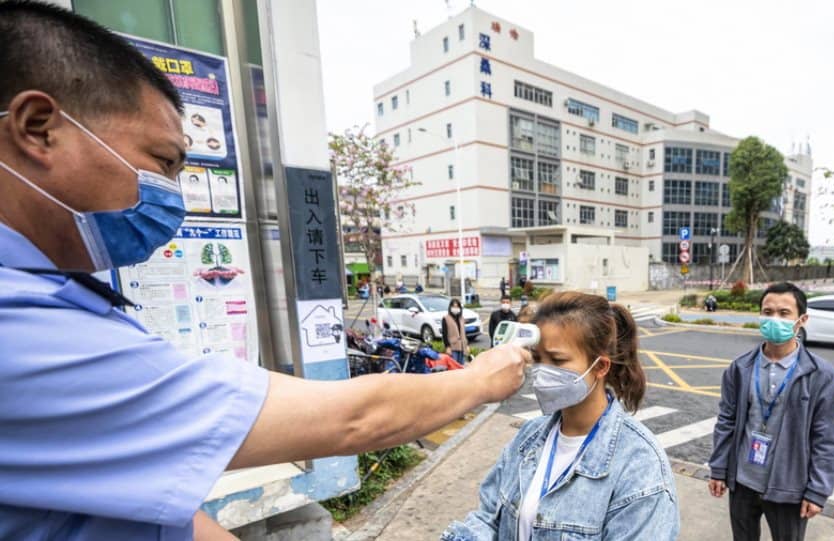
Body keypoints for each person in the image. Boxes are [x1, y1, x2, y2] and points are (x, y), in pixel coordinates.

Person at [0, 4, 528, 539]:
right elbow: (352, 419)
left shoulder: (52, 295)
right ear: (38, 128)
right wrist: (482, 380)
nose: (171, 196)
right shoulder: (20, 331)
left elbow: (125, 503)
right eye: (161, 162)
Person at [443, 292, 680, 540]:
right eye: (538, 358)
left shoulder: (640, 466)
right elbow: (488, 518)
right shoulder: (529, 437)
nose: (543, 372)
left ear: (600, 367)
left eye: (557, 360)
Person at [708, 282, 834, 541]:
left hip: (789, 487)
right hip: (743, 481)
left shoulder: (820, 375)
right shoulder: (740, 368)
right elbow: (726, 421)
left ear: (801, 319)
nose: (774, 319)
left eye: (783, 313)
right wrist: (719, 468)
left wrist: (817, 491)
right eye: (767, 313)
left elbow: (827, 438)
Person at [442, 298, 468, 365]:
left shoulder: (461, 318)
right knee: (453, 367)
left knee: (461, 367)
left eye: (457, 306)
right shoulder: (446, 318)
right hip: (453, 347)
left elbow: (464, 333)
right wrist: (447, 347)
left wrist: (467, 345)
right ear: (450, 307)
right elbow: (444, 334)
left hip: (462, 346)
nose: (455, 308)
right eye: (453, 306)